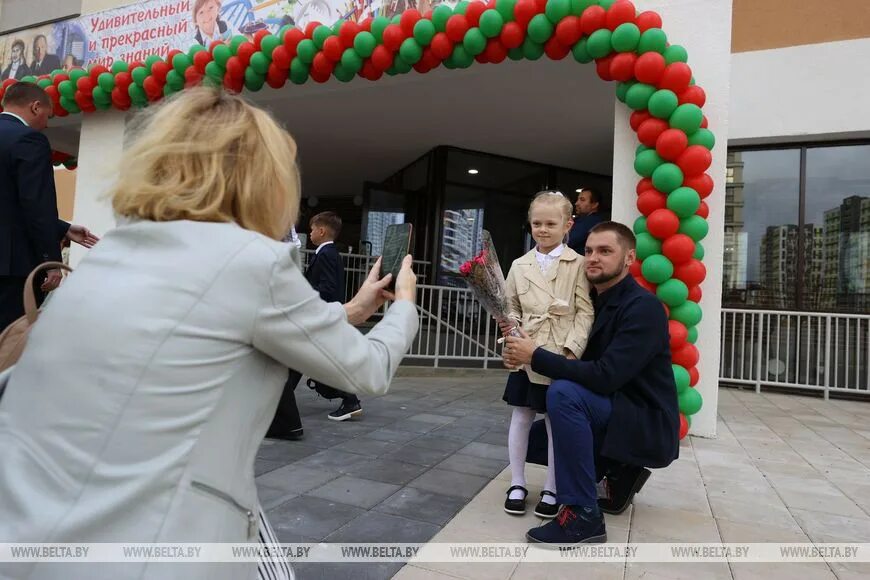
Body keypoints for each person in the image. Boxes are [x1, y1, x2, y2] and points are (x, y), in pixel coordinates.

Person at [0, 88, 419, 580]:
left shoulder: (114, 255)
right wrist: (404, 306)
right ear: (261, 178)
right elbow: (367, 369)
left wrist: (353, 308)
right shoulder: (249, 260)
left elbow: (229, 325)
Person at [504, 221, 679, 546]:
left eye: (605, 251)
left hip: (643, 421)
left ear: (629, 258)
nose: (593, 258)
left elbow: (605, 375)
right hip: (614, 409)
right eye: (588, 251)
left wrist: (536, 355)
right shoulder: (589, 303)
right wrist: (518, 343)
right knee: (539, 440)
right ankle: (618, 473)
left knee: (564, 394)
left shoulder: (643, 308)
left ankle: (583, 515)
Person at [500, 191, 594, 519]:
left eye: (551, 223)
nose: (543, 229)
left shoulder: (578, 263)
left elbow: (585, 312)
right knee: (522, 415)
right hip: (526, 351)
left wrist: (571, 351)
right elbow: (508, 307)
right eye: (537, 223)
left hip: (557, 354)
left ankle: (553, 486)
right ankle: (517, 481)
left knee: (556, 421)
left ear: (567, 225)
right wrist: (510, 336)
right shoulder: (518, 265)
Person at [0, 82, 98, 332]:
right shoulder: (29, 140)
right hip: (12, 270)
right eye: (48, 116)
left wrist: (63, 228)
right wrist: (52, 261)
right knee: (9, 345)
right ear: (35, 107)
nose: (46, 124)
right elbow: (35, 204)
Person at [303, 211, 366, 422]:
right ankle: (349, 400)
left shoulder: (326, 254)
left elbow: (328, 288)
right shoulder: (327, 253)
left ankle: (350, 400)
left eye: (312, 229)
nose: (309, 233)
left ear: (321, 231)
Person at [566, 188, 604, 255]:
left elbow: (568, 241)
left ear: (594, 205)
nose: (576, 203)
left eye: (582, 200)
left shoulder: (593, 221)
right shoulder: (580, 219)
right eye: (578, 199)